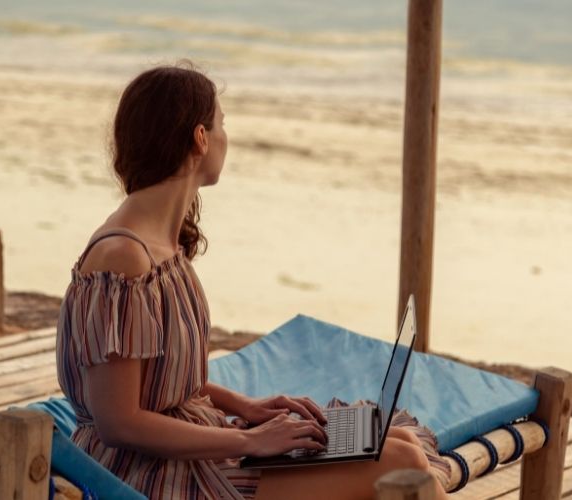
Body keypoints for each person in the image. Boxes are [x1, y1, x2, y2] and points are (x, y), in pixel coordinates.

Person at [55, 60, 456, 499]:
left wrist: (245, 408)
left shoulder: (162, 244)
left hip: (192, 446)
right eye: (221, 124)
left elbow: (157, 377)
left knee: (395, 441)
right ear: (200, 138)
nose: (226, 137)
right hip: (147, 477)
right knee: (401, 464)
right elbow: (120, 423)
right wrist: (249, 440)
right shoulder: (122, 260)